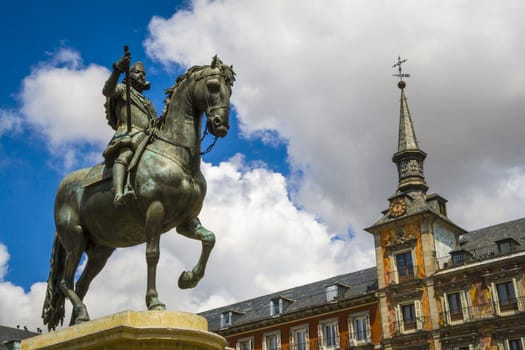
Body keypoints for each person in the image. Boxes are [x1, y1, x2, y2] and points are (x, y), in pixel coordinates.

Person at [102, 51, 158, 207]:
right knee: (125, 155)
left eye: (144, 74)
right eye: (138, 72)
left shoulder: (147, 102)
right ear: (130, 74)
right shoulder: (121, 89)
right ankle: (118, 193)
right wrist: (117, 70)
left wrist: (156, 128)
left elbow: (154, 121)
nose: (142, 76)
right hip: (129, 133)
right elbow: (107, 91)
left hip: (148, 138)